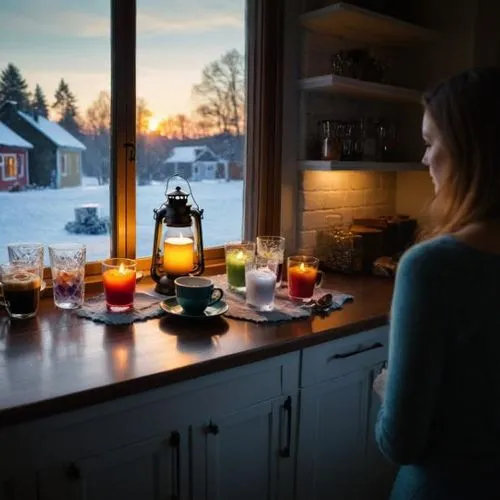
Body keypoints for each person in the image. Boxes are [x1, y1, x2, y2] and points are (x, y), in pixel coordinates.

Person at [373, 66, 500, 500]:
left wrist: (386, 385)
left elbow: (401, 442)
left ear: (469, 152)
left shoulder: (432, 267)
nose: (425, 159)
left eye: (430, 143)